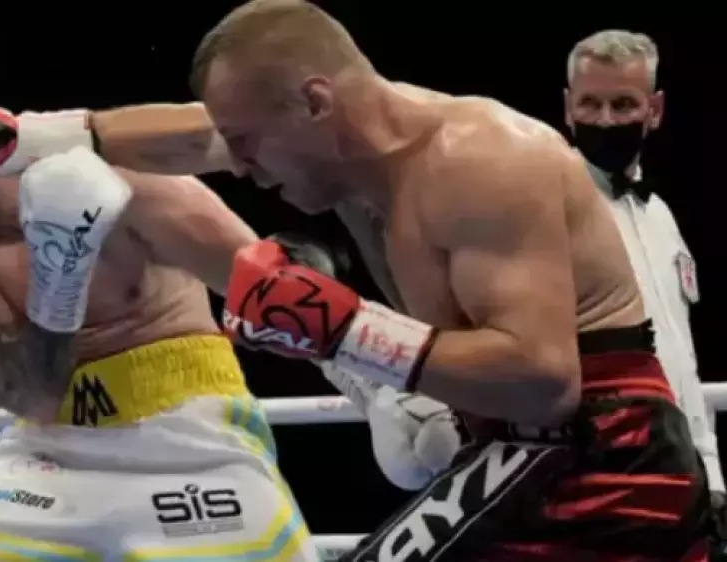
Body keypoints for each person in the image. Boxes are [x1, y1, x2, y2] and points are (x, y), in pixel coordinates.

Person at [184, 2, 713, 560]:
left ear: (315, 102)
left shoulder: (478, 159)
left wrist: (346, 332)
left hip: (613, 458)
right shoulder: (354, 174)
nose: (236, 166)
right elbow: (173, 139)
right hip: (521, 452)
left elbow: (546, 386)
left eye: (242, 141)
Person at [0, 64, 319, 562]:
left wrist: (35, 138)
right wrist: (60, 274)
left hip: (192, 433)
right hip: (51, 453)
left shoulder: (109, 174)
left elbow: (243, 147)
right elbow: (34, 396)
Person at [564, 28, 725, 551]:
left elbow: (682, 356)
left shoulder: (661, 217)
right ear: (567, 108)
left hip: (682, 475)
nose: (606, 120)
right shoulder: (546, 211)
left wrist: (712, 472)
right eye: (590, 103)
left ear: (654, 111)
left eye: (623, 104)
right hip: (600, 477)